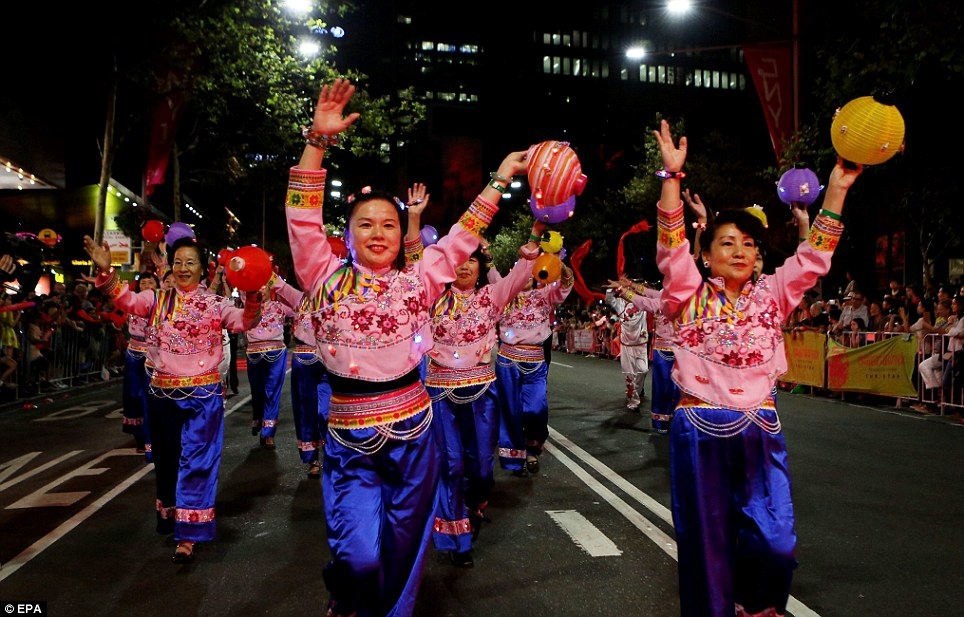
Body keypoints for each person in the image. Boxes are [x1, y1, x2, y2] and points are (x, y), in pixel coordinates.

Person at [284, 78, 523, 617]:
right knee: (358, 557)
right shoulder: (321, 275)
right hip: (348, 436)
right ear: (345, 237)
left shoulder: (421, 278)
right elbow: (301, 217)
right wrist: (317, 143)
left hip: (415, 430)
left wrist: (499, 179)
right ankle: (349, 594)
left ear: (400, 234)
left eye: (388, 224)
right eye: (364, 224)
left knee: (402, 545)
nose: (378, 232)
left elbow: (463, 235)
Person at [651, 118, 862, 617]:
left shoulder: (775, 294)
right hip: (698, 429)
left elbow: (814, 257)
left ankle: (757, 605)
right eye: (727, 243)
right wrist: (671, 178)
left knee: (775, 542)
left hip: (760, 428)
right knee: (707, 544)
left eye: (748, 244)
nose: (740, 251)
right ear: (705, 256)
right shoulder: (686, 292)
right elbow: (670, 247)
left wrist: (836, 188)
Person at [83, 233, 263, 564]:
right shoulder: (155, 299)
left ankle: (188, 534)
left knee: (196, 462)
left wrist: (252, 298)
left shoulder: (215, 304)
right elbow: (125, 300)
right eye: (178, 262)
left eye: (190, 262)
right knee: (166, 464)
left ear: (204, 270)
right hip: (162, 396)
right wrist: (108, 272)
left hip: (203, 398)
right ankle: (170, 513)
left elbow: (243, 322)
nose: (182, 268)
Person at [426, 218, 545, 568]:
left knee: (479, 465)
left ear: (481, 266)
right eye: (459, 260)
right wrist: (416, 220)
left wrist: (535, 234)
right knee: (450, 463)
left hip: (481, 393)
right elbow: (415, 261)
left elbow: (523, 272)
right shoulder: (431, 296)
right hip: (439, 392)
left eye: (472, 260)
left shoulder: (492, 297)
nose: (464, 266)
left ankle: (476, 505)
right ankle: (457, 538)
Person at [495, 252, 574, 477]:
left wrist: (561, 266)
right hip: (507, 359)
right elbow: (492, 274)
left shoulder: (545, 294)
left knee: (536, 407)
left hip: (535, 360)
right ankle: (518, 457)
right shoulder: (503, 295)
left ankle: (533, 445)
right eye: (520, 274)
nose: (526, 277)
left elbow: (566, 283)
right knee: (511, 410)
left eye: (530, 274)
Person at [244, 277, 295, 450]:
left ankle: (268, 432)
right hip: (253, 354)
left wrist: (281, 287)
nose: (260, 289)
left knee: (272, 392)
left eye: (264, 286)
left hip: (276, 352)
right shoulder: (247, 307)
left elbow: (298, 307)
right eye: (257, 287)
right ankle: (259, 420)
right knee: (257, 393)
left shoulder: (280, 307)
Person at [121, 271, 159, 457]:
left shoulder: (161, 303)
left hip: (153, 355)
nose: (146, 286)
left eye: (150, 282)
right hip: (134, 353)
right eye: (143, 283)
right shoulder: (133, 301)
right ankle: (139, 436)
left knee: (151, 397)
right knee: (133, 396)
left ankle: (151, 438)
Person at [605, 274, 651, 412]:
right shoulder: (620, 304)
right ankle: (633, 401)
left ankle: (638, 389)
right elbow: (609, 298)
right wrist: (613, 288)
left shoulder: (641, 302)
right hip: (626, 346)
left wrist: (634, 285)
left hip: (641, 344)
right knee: (629, 375)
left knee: (643, 370)